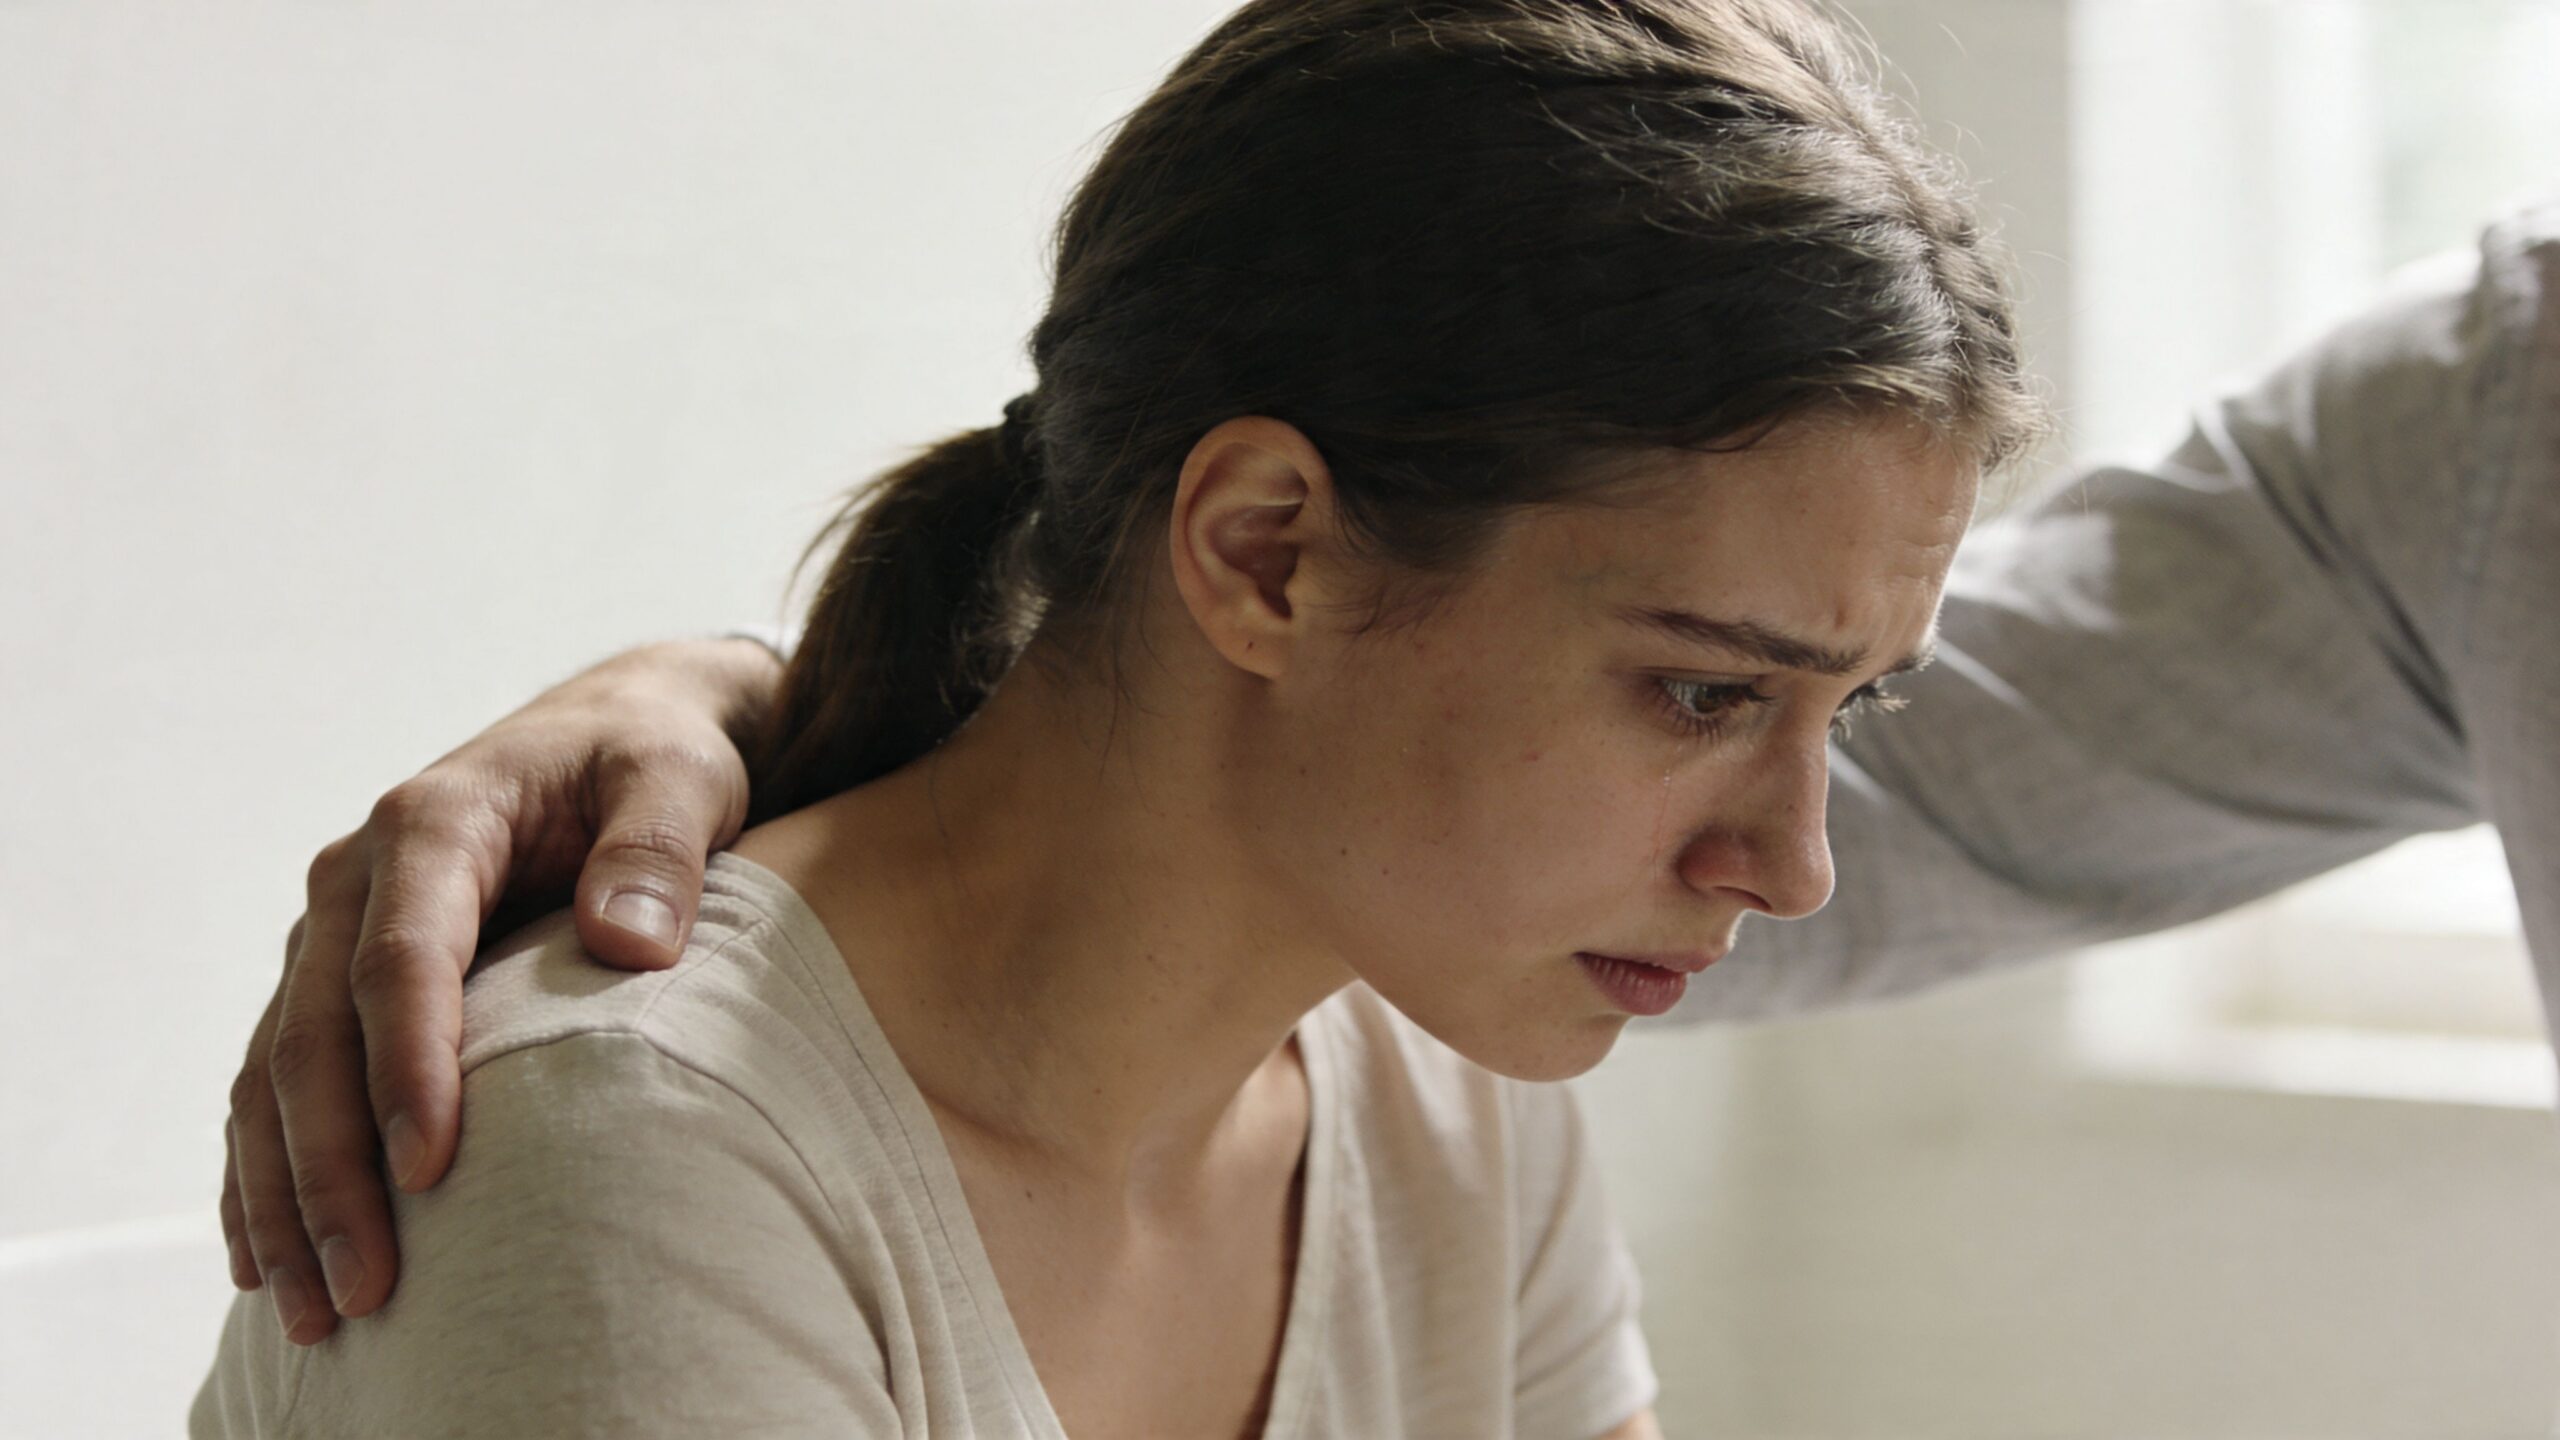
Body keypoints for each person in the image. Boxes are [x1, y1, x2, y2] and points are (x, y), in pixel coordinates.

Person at [194, 0, 2045, 1434]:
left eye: (1847, 707)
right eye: (1706, 691)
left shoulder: (1441, 1091)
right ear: (1264, 552)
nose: (1791, 866)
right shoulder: (638, 1164)